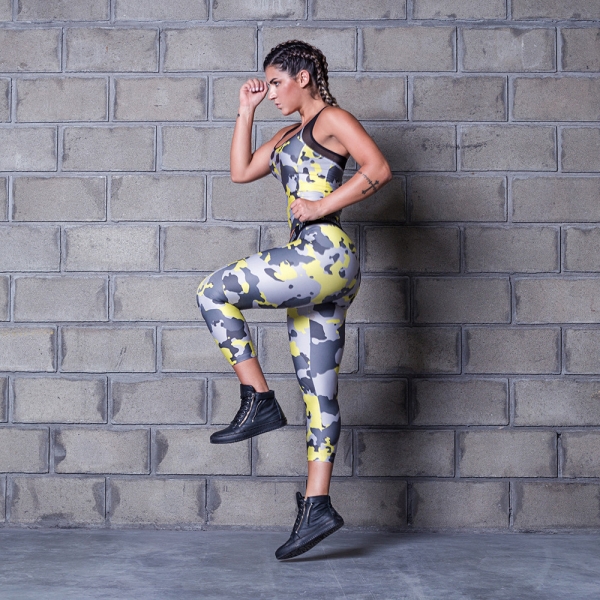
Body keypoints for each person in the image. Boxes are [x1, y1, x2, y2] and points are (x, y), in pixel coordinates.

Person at [196, 40, 392, 560]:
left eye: (276, 82)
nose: (272, 92)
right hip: (319, 270)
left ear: (303, 77)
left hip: (323, 253)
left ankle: (258, 399)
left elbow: (377, 169)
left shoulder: (332, 119)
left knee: (213, 291)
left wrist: (321, 205)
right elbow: (240, 171)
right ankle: (317, 506)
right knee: (318, 395)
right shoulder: (285, 134)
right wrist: (246, 110)